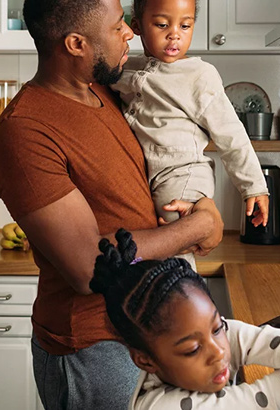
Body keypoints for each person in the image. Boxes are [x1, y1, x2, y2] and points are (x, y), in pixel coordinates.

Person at [0, 0, 223, 409]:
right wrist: (197, 228)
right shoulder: (24, 133)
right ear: (76, 43)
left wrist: (204, 202)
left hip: (149, 328)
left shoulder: (104, 91)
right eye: (117, 27)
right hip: (95, 344)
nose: (131, 32)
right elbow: (86, 266)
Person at [91, 228, 280, 410]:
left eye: (217, 327)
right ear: (145, 361)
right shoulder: (161, 406)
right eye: (192, 350)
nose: (218, 351)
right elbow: (267, 397)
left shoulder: (210, 338)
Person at [110, 0, 269, 268]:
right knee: (157, 236)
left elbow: (231, 136)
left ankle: (186, 293)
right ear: (136, 26)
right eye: (162, 25)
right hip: (149, 172)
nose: (175, 34)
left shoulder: (200, 75)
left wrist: (253, 187)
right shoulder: (127, 66)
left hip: (183, 172)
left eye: (185, 25)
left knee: (177, 229)